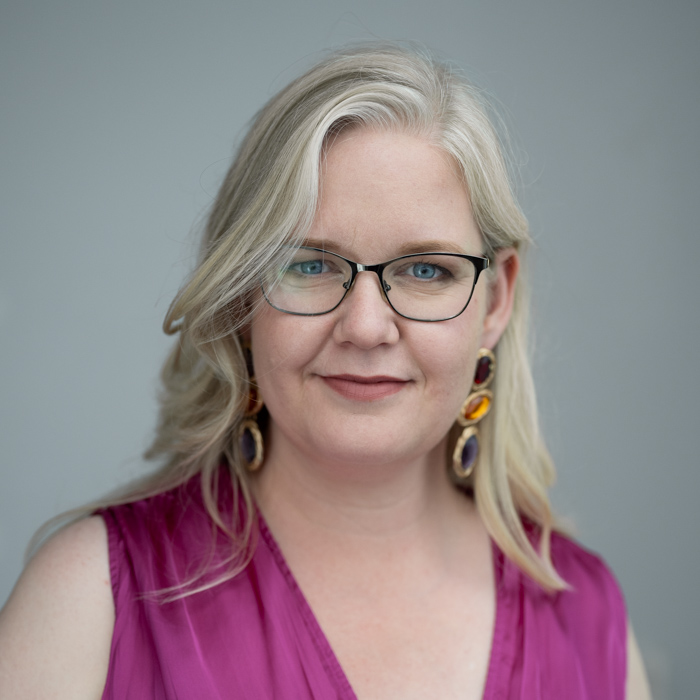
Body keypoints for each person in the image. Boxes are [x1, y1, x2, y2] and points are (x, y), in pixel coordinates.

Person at [0, 43, 651, 699]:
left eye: (427, 270)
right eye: (309, 264)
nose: (365, 328)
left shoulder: (587, 619)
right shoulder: (92, 601)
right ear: (241, 297)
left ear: (496, 299)